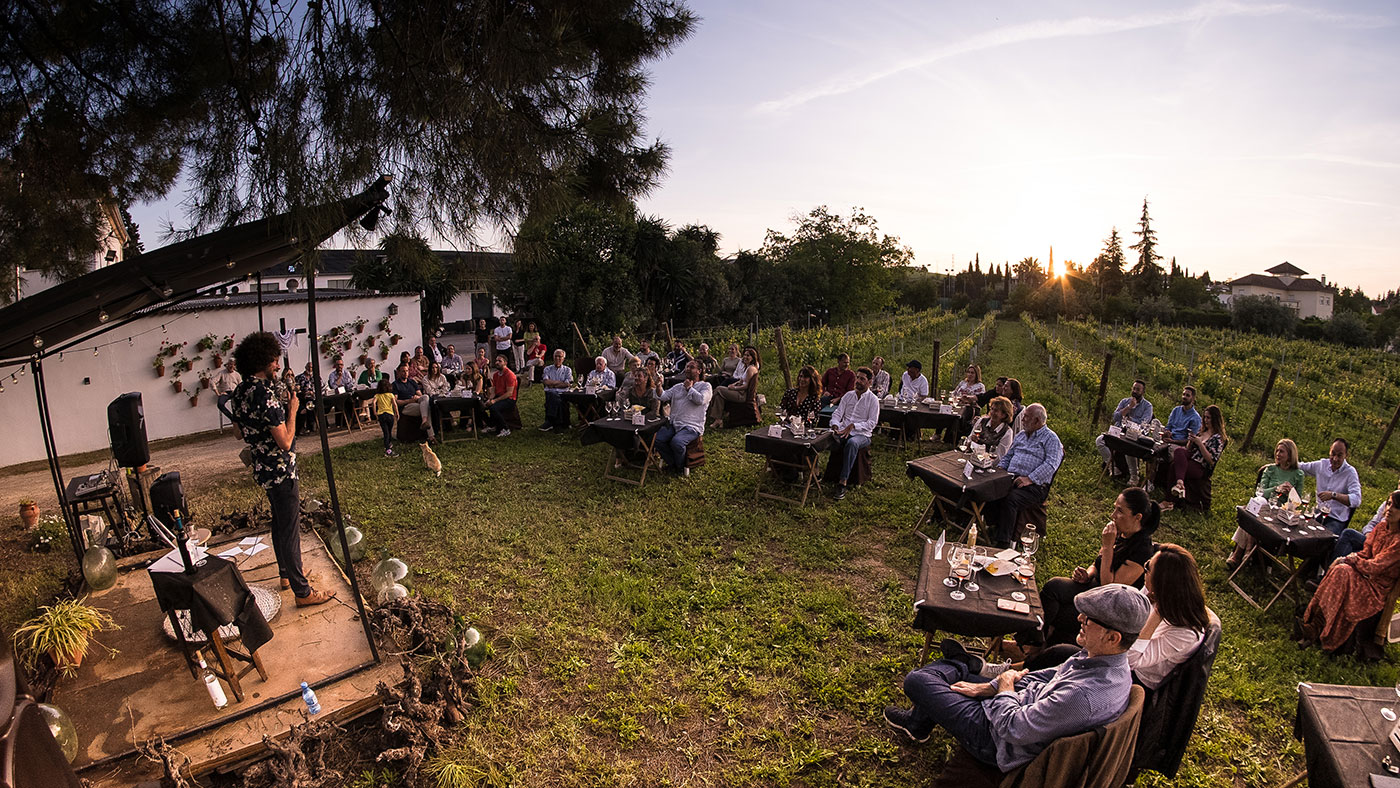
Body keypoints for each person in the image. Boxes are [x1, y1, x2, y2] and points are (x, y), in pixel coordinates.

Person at [882, 584, 1149, 774]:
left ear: (1113, 637)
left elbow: (1013, 729)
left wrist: (1005, 686)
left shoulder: (1085, 696)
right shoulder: (1108, 661)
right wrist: (991, 686)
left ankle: (963, 664)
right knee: (958, 678)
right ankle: (952, 681)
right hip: (1008, 707)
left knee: (919, 679)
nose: (1079, 618)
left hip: (996, 740)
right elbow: (1048, 676)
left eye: (1089, 618)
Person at [992, 544, 1210, 693]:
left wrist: (1156, 614)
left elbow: (1132, 661)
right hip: (1119, 646)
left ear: (1164, 584)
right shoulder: (1152, 590)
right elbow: (1128, 610)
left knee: (1063, 654)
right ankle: (1011, 670)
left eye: (1148, 569)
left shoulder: (1186, 632)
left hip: (1131, 679)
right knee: (1067, 638)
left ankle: (1007, 676)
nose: (1145, 572)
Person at [229, 332, 334, 607]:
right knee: (289, 528)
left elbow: (238, 434)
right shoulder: (264, 394)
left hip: (262, 470)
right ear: (264, 361)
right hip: (280, 471)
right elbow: (286, 441)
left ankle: (286, 575)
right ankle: (303, 592)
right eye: (275, 361)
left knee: (280, 523)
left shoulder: (240, 392)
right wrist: (293, 410)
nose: (277, 365)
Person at [1017, 487, 1158, 651]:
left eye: (1120, 511)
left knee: (1061, 613)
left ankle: (1036, 646)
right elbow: (1097, 563)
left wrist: (1107, 546)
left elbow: (1109, 588)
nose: (1113, 515)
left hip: (1110, 606)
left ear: (1137, 517)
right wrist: (1088, 574)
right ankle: (1033, 640)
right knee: (1053, 587)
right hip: (1094, 587)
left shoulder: (1142, 551)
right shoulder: (1121, 533)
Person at [1300, 490, 1400, 653]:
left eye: (1396, 507)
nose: (1389, 509)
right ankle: (1314, 626)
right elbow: (1366, 552)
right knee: (1340, 570)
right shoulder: (1381, 527)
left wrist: (1350, 560)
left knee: (1343, 571)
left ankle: (1321, 631)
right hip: (1365, 573)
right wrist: (1348, 558)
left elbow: (1377, 566)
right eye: (1388, 504)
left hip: (1377, 585)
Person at [988, 404, 1063, 548]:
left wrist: (1030, 479)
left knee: (1011, 499)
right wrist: (1000, 470)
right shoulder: (1021, 435)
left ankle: (1004, 542)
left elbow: (1051, 464)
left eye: (1026, 417)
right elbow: (1008, 456)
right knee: (989, 487)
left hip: (1035, 485)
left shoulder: (1051, 439)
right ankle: (989, 525)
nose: (1022, 419)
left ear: (1036, 421)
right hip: (1011, 476)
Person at [1227, 439, 1306, 568]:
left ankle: (1237, 554)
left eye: (1282, 451)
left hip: (1282, 511)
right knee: (1258, 502)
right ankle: (1247, 551)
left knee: (1253, 508)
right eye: (1277, 451)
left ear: (1290, 454)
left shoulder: (1298, 474)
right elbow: (1261, 492)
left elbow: (1298, 502)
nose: (1278, 454)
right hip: (1264, 506)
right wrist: (1277, 489)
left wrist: (1291, 491)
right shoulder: (1270, 469)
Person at [1161, 404, 1227, 511]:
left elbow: (1211, 461)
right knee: (1179, 451)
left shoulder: (1218, 438)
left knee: (1174, 466)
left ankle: (1169, 501)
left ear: (1215, 419)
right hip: (1191, 457)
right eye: (1204, 417)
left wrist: (1200, 443)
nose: (1206, 420)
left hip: (1200, 464)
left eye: (1208, 418)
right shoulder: (1202, 431)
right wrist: (1191, 441)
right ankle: (1180, 484)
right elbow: (1188, 450)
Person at [827, 366, 879, 501]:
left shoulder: (873, 400)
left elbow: (872, 423)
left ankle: (843, 482)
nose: (858, 381)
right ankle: (820, 474)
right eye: (858, 377)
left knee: (852, 443)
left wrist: (854, 426)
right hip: (844, 430)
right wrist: (835, 425)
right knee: (827, 439)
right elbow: (837, 414)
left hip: (863, 435)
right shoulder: (848, 395)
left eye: (862, 379)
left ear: (869, 382)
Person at [656, 361, 712, 476]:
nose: (687, 369)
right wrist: (658, 386)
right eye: (687, 366)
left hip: (692, 426)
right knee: (657, 439)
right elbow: (663, 396)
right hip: (674, 423)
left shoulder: (705, 386)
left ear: (699, 371)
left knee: (677, 442)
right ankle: (673, 463)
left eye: (691, 367)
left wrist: (689, 389)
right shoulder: (678, 387)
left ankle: (680, 468)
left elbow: (701, 400)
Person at [1094, 379, 1155, 484]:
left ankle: (1134, 476)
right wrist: (1129, 407)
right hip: (1119, 431)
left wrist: (1130, 421)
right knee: (1100, 441)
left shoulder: (1147, 406)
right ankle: (1113, 467)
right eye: (1134, 388)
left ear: (1143, 392)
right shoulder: (1125, 401)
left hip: (1134, 435)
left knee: (1129, 447)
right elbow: (1115, 417)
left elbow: (1143, 423)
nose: (1135, 391)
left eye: (1138, 390)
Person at [1300, 438, 1363, 535]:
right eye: (1333, 454)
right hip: (1318, 513)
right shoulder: (1322, 465)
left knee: (1322, 538)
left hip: (1336, 519)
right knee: (1297, 527)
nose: (1335, 459)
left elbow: (1356, 500)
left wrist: (1334, 495)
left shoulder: (1350, 473)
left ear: (1346, 455)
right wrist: (1275, 465)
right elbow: (1301, 467)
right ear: (1329, 451)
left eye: (1339, 455)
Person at [708, 346, 760, 428]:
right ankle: (718, 420)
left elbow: (746, 386)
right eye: (745, 355)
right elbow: (741, 381)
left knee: (718, 389)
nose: (745, 357)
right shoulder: (747, 367)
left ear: (753, 358)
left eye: (748, 356)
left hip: (742, 395)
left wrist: (734, 388)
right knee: (719, 396)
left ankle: (708, 405)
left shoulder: (751, 369)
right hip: (738, 391)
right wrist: (734, 384)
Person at [392, 364, 434, 442]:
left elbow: (420, 395)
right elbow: (395, 401)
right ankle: (431, 436)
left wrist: (417, 397)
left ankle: (424, 422)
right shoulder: (395, 384)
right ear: (399, 372)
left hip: (416, 402)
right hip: (406, 406)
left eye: (407, 371)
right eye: (403, 371)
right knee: (426, 408)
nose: (405, 373)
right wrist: (408, 401)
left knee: (425, 397)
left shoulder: (412, 382)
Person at [481, 354, 518, 437]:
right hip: (498, 397)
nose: (497, 362)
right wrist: (490, 399)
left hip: (509, 399)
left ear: (505, 363)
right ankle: (492, 425)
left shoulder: (510, 375)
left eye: (500, 361)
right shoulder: (495, 375)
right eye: (496, 360)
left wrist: (495, 401)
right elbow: (493, 391)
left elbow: (509, 393)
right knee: (480, 405)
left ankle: (505, 429)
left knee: (494, 407)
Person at [539, 349, 574, 432]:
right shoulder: (547, 369)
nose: (557, 358)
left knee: (556, 398)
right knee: (554, 396)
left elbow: (567, 384)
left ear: (563, 359)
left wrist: (553, 384)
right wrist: (560, 383)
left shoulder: (567, 370)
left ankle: (550, 421)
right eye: (556, 356)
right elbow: (546, 382)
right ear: (553, 357)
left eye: (560, 356)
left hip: (563, 393)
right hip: (550, 393)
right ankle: (560, 423)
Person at [372, 378, 398, 457]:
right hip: (390, 414)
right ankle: (388, 449)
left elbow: (373, 403)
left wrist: (374, 412)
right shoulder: (391, 395)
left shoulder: (377, 395)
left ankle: (388, 446)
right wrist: (397, 413)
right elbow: (394, 404)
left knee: (385, 432)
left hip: (381, 415)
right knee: (389, 431)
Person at [213, 358, 242, 426]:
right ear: (227, 365)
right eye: (230, 365)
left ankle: (239, 421)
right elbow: (213, 382)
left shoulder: (237, 374)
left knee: (239, 403)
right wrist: (218, 393)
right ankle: (232, 418)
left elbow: (241, 385)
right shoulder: (221, 373)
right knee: (220, 404)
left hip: (234, 392)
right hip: (225, 392)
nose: (231, 367)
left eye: (233, 365)